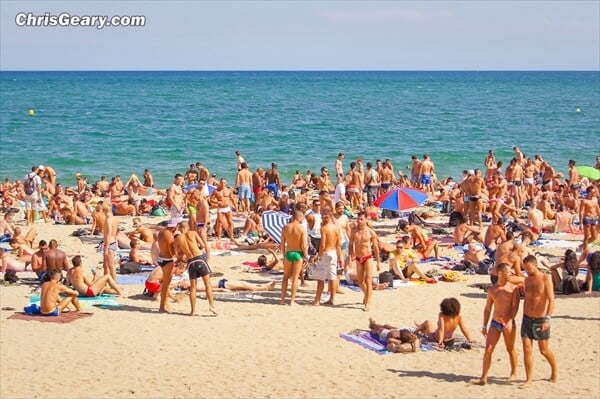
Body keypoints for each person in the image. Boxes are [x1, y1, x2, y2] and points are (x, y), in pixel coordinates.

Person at [471, 263, 520, 385]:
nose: (511, 274)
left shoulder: (513, 289)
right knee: (488, 350)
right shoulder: (492, 290)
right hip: (495, 322)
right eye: (508, 272)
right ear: (500, 273)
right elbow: (487, 308)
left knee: (510, 348)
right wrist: (484, 325)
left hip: (508, 323)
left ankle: (514, 372)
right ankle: (483, 377)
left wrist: (509, 321)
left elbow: (515, 307)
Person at [520, 255, 558, 388]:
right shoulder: (527, 279)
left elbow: (551, 299)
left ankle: (554, 371)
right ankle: (528, 379)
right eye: (525, 269)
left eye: (529, 268)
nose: (527, 271)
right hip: (526, 318)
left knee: (544, 350)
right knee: (526, 349)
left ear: (535, 265)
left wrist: (548, 318)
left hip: (541, 319)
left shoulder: (545, 278)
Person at [173, 220, 216, 316]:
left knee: (193, 288)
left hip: (191, 262)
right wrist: (196, 248)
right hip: (200, 259)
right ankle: (211, 306)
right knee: (207, 285)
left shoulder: (177, 239)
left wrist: (184, 253)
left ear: (180, 229)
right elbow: (203, 245)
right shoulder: (193, 233)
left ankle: (193, 311)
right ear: (186, 227)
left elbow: (177, 255)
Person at [349, 211, 381, 311]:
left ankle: (368, 302)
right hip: (358, 257)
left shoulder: (370, 232)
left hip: (368, 257)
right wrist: (351, 256)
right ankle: (366, 294)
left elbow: (375, 248)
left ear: (366, 220)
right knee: (360, 280)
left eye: (361, 219)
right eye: (358, 219)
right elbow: (350, 244)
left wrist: (378, 262)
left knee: (368, 279)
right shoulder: (354, 231)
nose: (359, 221)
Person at [311, 207, 343, 306]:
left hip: (326, 253)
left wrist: (318, 256)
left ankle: (317, 300)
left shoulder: (324, 228)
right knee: (332, 277)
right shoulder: (336, 228)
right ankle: (332, 299)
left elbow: (323, 245)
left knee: (320, 278)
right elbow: (338, 244)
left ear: (326, 216)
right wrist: (340, 256)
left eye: (322, 215)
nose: (321, 217)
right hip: (333, 253)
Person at [279, 210, 308, 305]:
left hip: (289, 252)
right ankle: (292, 300)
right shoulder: (301, 228)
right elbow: (303, 245)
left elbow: (282, 244)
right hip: (298, 253)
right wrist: (306, 256)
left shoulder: (285, 228)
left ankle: (282, 300)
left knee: (285, 277)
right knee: (295, 278)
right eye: (302, 217)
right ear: (298, 217)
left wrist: (283, 256)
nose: (303, 219)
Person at [156, 217, 178, 313]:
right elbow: (171, 252)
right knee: (166, 284)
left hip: (160, 258)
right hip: (167, 260)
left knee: (164, 282)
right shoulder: (169, 236)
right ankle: (162, 306)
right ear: (174, 227)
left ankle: (165, 303)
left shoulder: (161, 232)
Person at [102, 203, 119, 280]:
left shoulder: (108, 220)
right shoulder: (114, 218)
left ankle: (114, 282)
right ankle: (106, 280)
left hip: (110, 243)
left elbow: (108, 234)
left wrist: (106, 248)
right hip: (113, 241)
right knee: (106, 265)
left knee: (111, 266)